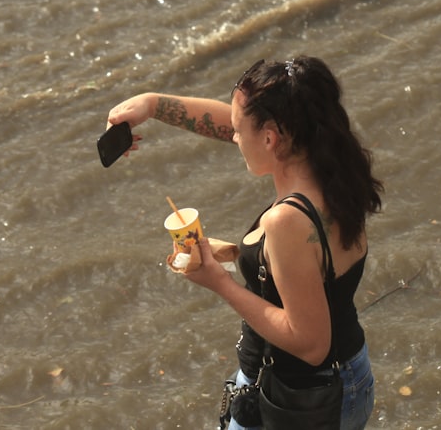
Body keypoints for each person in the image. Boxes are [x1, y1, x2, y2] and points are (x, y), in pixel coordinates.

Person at [106, 57, 380, 430]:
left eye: (238, 131)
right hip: (342, 376)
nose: (232, 137)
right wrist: (152, 105)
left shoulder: (287, 221)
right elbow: (309, 275)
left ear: (270, 138)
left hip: (302, 401)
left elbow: (311, 343)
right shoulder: (332, 163)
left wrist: (218, 280)